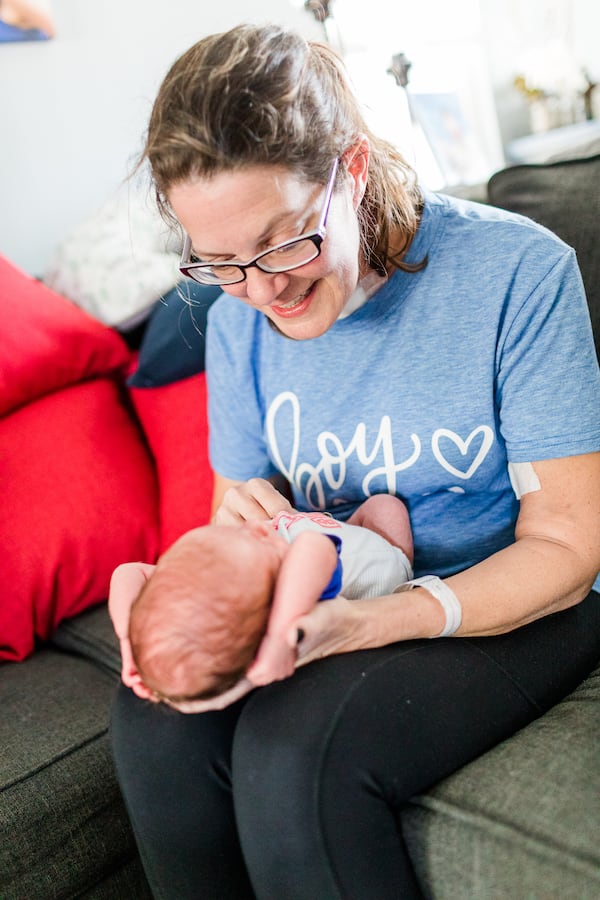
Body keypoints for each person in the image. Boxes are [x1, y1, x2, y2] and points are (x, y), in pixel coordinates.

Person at [110, 23, 600, 900]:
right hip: (341, 585)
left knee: (298, 752)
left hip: (518, 597)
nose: (263, 290)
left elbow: (569, 550)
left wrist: (376, 623)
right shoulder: (231, 325)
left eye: (288, 240)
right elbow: (237, 514)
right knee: (153, 723)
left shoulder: (516, 274)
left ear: (356, 168)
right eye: (222, 262)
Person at [109, 489, 413, 712]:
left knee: (382, 504)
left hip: (351, 528)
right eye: (256, 540)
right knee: (388, 509)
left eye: (231, 537)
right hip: (386, 572)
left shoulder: (212, 581)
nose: (255, 528)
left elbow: (129, 571)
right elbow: (314, 545)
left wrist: (130, 638)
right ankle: (407, 575)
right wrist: (280, 635)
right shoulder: (298, 586)